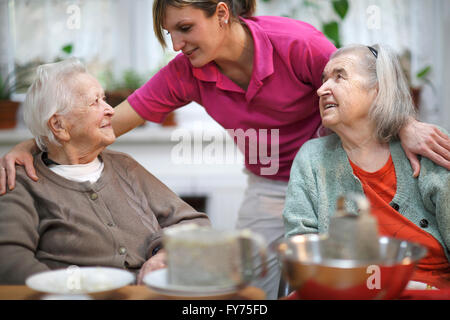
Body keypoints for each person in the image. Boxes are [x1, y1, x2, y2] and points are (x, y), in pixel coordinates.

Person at [0, 1, 449, 298]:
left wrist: (405, 124)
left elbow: (358, 83)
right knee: (251, 290)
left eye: (185, 28)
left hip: (336, 174)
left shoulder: (297, 44)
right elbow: (109, 123)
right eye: (168, 33)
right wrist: (40, 138)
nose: (176, 43)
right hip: (272, 185)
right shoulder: (185, 73)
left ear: (220, 13)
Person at [0, 59, 210, 285]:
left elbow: (195, 223)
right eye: (95, 102)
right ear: (59, 126)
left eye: (105, 99)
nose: (110, 110)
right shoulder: (21, 181)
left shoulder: (125, 167)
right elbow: (10, 261)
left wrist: (164, 252)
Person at [283, 44, 450, 289]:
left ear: (378, 89)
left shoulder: (428, 146)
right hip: (346, 291)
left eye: (339, 77)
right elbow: (301, 249)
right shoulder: (312, 159)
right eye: (323, 79)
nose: (321, 89)